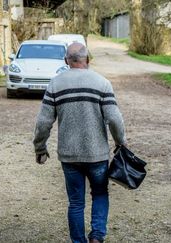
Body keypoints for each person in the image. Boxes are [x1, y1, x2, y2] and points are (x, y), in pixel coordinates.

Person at [33, 42, 126, 243]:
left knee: (76, 203)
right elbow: (115, 119)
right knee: (100, 194)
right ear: (88, 60)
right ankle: (97, 237)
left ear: (66, 61)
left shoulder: (56, 84)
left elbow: (43, 122)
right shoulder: (102, 83)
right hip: (97, 155)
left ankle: (78, 241)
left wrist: (40, 148)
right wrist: (121, 143)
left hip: (69, 156)